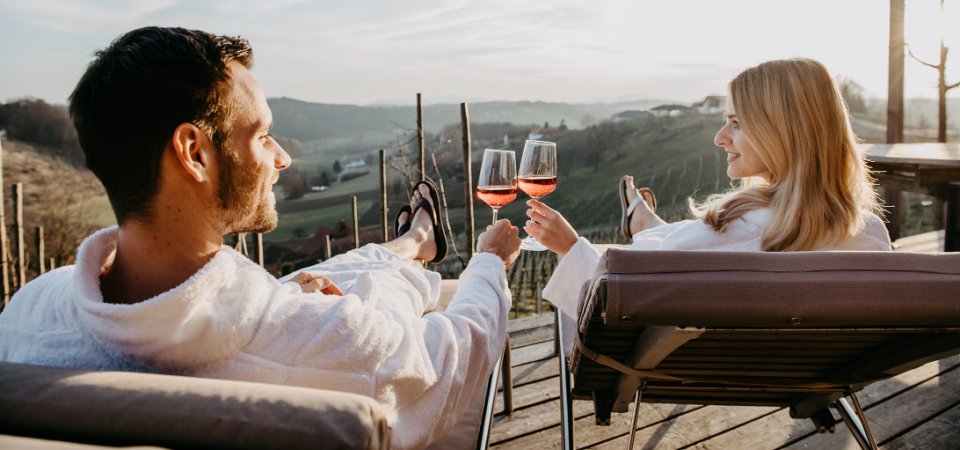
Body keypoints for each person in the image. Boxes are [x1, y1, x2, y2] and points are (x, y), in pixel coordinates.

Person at [0, 27, 521, 450]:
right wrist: (488, 263)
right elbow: (454, 358)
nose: (282, 159)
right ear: (194, 153)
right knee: (377, 292)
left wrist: (295, 303)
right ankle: (414, 245)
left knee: (323, 279)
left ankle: (410, 242)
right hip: (337, 333)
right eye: (262, 136)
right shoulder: (316, 345)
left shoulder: (29, 314)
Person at [524, 58, 891, 331]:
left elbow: (621, 295)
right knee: (673, 238)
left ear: (781, 132)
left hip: (691, 359)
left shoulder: (743, 226)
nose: (720, 138)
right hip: (819, 367)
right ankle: (648, 225)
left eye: (736, 123)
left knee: (611, 253)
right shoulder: (871, 233)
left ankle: (644, 227)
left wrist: (569, 247)